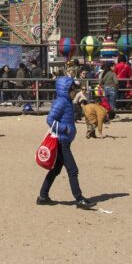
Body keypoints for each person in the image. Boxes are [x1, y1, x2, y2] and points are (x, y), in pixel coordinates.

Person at [36, 77, 94, 209]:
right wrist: (65, 128)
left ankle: (43, 196)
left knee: (55, 170)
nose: (75, 92)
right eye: (73, 90)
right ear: (66, 89)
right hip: (62, 141)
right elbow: (50, 119)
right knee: (73, 170)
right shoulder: (61, 102)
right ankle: (79, 199)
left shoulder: (67, 101)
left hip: (65, 140)